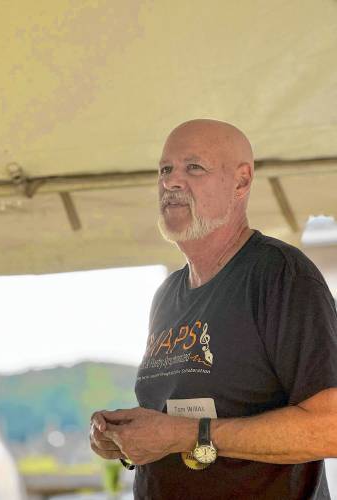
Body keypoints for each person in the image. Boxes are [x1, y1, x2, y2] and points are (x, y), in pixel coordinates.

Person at [90, 119, 337, 499]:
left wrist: (190, 434)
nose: (171, 182)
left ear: (241, 182)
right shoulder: (167, 294)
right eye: (165, 170)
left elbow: (329, 428)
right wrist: (128, 437)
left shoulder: (281, 276)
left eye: (194, 168)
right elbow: (173, 423)